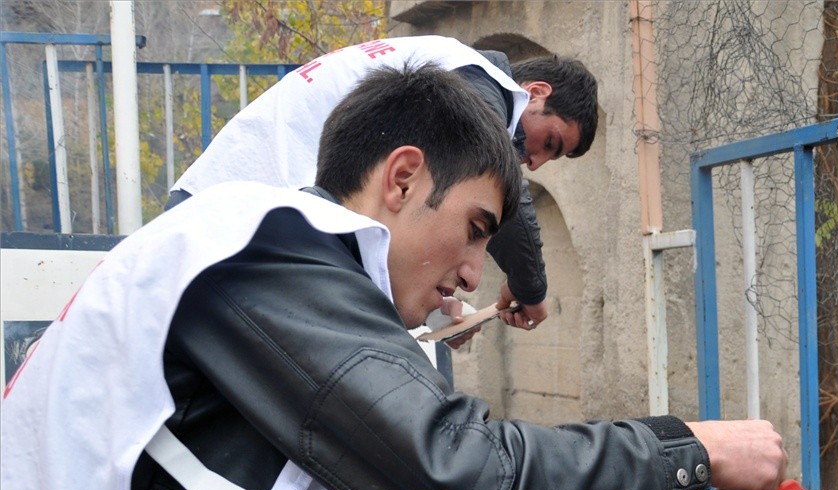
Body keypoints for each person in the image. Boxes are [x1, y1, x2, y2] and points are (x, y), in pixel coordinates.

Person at [0, 64, 787, 490]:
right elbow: (465, 479)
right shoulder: (259, 249)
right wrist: (689, 448)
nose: (474, 273)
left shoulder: (306, 318)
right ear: (403, 178)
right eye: (475, 229)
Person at [167, 34, 599, 333]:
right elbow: (497, 182)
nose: (535, 161)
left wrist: (428, 305)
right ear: (536, 92)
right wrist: (530, 287)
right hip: (234, 217)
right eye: (550, 143)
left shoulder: (444, 69)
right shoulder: (476, 77)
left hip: (229, 209)